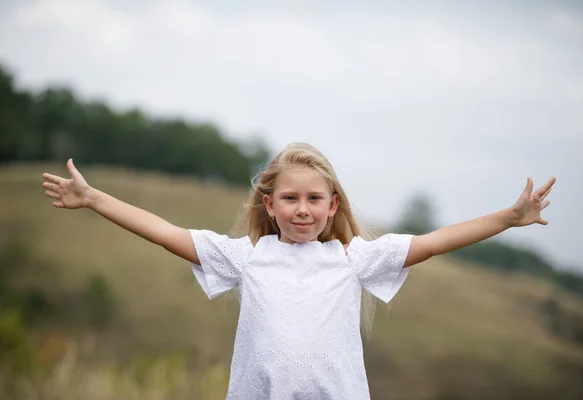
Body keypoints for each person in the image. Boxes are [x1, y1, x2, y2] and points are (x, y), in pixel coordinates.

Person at [41, 143, 555, 400]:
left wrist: (509, 218)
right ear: (270, 204)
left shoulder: (356, 260)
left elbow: (435, 241)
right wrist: (93, 198)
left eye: (314, 199)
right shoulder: (246, 256)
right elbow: (163, 231)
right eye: (290, 198)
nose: (302, 209)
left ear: (333, 207)